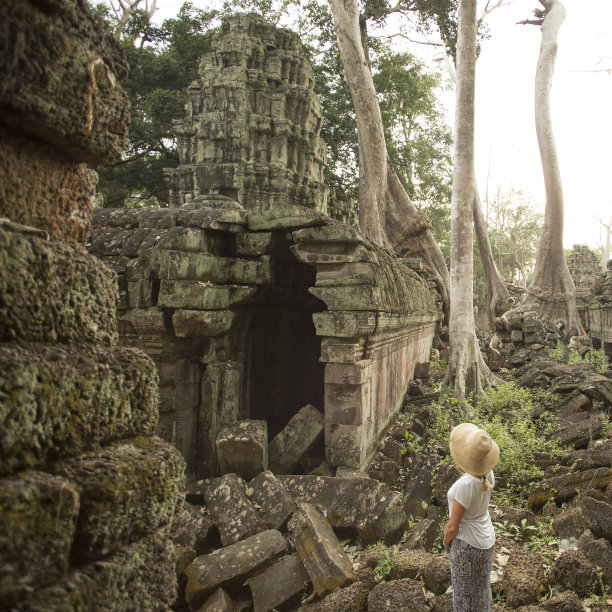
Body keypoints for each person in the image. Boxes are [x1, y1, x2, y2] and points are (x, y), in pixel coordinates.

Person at [443, 423, 500, 612]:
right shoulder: (488, 474)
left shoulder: (465, 485)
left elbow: (453, 526)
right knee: (481, 592)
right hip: (486, 539)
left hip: (468, 545)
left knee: (464, 596)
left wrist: (446, 542)